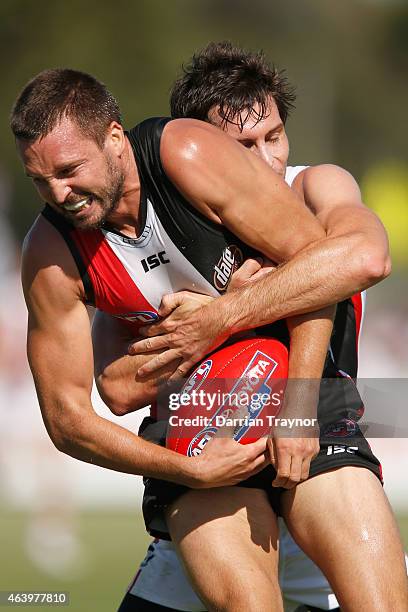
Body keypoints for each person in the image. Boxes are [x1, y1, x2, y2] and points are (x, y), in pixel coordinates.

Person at [11, 62, 407, 611]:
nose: (59, 193)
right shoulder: (58, 248)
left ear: (116, 139)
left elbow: (348, 264)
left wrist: (222, 321)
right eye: (39, 180)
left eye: (69, 170)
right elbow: (95, 402)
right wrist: (188, 469)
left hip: (310, 405)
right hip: (196, 426)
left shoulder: (300, 180)